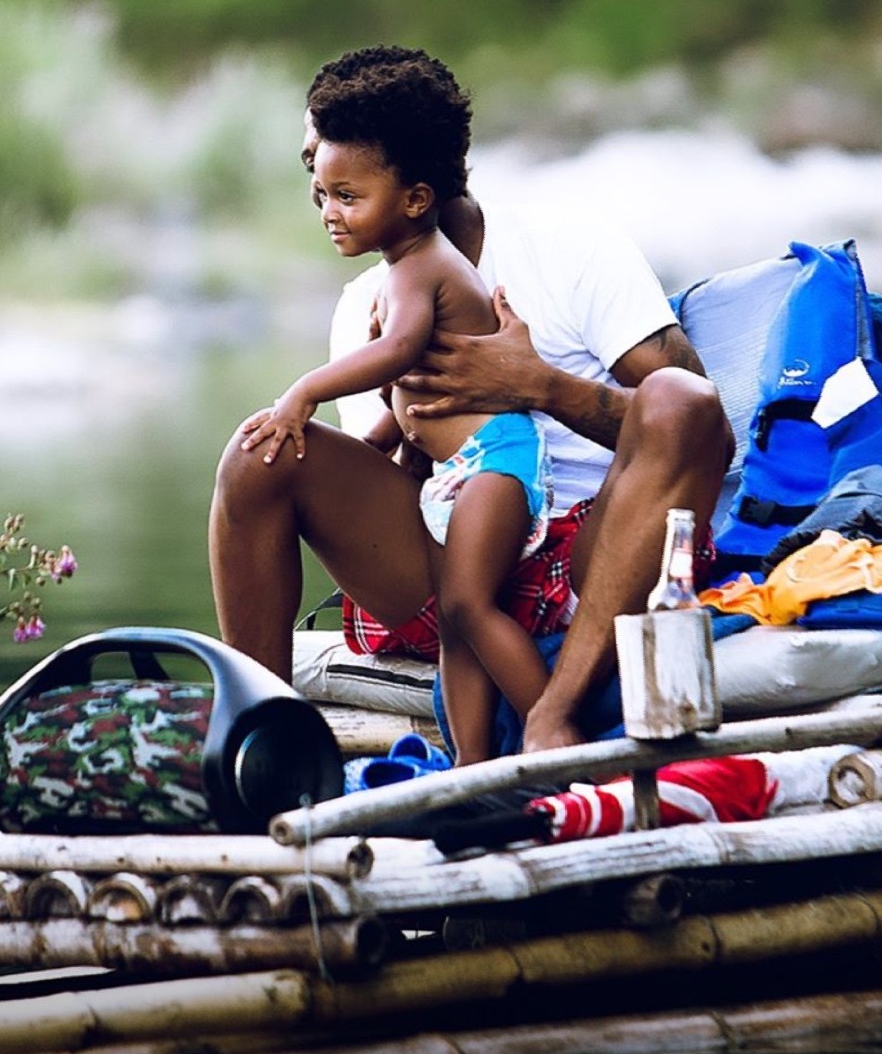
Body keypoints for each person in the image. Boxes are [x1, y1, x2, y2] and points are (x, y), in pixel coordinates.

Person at [209, 46, 734, 753]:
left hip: (595, 562)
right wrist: (402, 413)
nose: (319, 198)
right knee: (259, 453)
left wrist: (539, 386)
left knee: (679, 399)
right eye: (314, 172)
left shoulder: (571, 248)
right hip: (452, 561)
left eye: (336, 178)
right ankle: (262, 743)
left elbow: (706, 435)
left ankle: (555, 714)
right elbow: (407, 489)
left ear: (413, 188)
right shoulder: (364, 306)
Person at [237, 59, 554, 764]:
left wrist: (305, 393)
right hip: (458, 471)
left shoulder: (423, 266)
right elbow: (414, 407)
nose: (329, 213)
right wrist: (368, 452)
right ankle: (473, 767)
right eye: (321, 194)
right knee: (454, 625)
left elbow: (402, 350)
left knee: (471, 607)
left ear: (414, 199)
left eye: (348, 196)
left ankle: (553, 732)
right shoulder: (396, 268)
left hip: (495, 464)